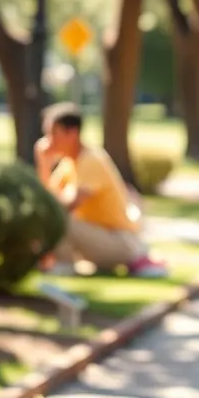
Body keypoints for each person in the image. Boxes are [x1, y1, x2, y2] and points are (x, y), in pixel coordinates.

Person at [36, 103, 168, 278]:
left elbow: (64, 207)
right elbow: (47, 199)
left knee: (62, 220)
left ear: (72, 133)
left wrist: (45, 165)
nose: (48, 141)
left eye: (53, 134)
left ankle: (63, 266)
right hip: (102, 237)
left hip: (121, 241)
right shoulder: (69, 163)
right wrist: (44, 165)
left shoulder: (91, 160)